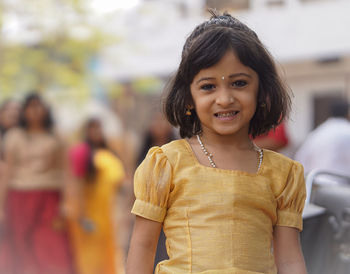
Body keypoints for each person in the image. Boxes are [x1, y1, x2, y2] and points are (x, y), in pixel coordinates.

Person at [126, 11, 307, 274]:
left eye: (239, 83)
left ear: (262, 91)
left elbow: (290, 259)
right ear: (188, 97)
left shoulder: (283, 174)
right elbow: (143, 248)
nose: (224, 98)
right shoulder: (167, 163)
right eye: (208, 86)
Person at [0, 93, 74, 274]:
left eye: (39, 105)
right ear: (24, 111)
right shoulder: (13, 137)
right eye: (31, 106)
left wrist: (67, 203)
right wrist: (1, 207)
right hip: (19, 198)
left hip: (49, 198)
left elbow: (65, 171)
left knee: (50, 246)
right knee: (21, 248)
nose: (35, 110)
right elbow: (7, 173)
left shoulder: (57, 137)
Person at [67, 118, 125, 274]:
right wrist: (82, 216)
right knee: (90, 260)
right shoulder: (82, 153)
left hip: (108, 215)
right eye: (92, 128)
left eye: (98, 128)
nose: (96, 132)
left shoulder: (109, 153)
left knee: (110, 256)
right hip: (89, 216)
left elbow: (120, 184)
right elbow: (76, 186)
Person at [294, 100, 350, 184]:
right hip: (341, 188)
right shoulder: (347, 130)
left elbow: (300, 159)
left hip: (315, 186)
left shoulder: (318, 132)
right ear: (347, 113)